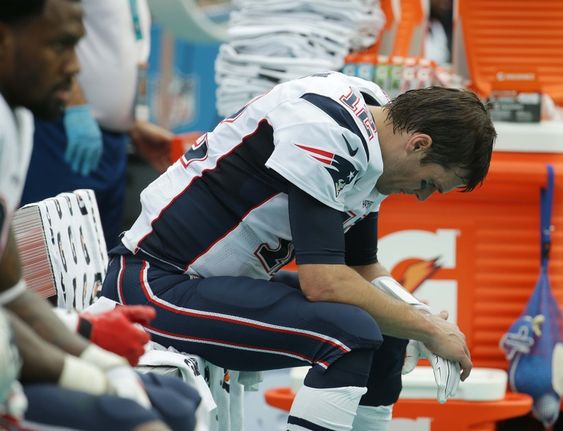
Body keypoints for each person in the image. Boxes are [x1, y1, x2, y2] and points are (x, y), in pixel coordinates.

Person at [102, 71, 496, 431]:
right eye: (429, 182)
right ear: (418, 143)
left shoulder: (377, 124)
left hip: (204, 282)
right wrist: (427, 328)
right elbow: (323, 282)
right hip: (153, 283)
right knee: (351, 336)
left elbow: (360, 265)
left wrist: (422, 318)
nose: (423, 196)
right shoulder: (327, 131)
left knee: (385, 328)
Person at [0, 1, 199, 429]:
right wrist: (91, 369)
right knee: (133, 417)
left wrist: (95, 352)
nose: (75, 68)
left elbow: (9, 293)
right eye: (61, 46)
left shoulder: (15, 119)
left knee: (178, 402)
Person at [21, 0, 172, 248]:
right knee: (54, 252)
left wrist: (132, 125)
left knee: (97, 261)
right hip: (63, 130)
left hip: (113, 143)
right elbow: (43, 27)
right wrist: (73, 101)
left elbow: (114, 49)